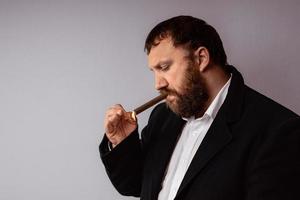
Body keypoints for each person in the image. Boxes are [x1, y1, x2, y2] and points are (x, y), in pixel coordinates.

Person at [99, 16, 300, 200]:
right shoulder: (162, 116)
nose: (158, 84)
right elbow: (134, 185)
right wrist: (121, 142)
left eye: (164, 67)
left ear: (201, 58)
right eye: (154, 71)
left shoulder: (278, 131)